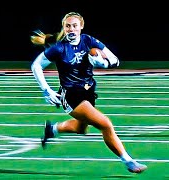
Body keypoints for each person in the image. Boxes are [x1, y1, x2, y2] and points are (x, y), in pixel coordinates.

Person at [30, 12, 147, 174]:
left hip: (88, 92)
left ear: (81, 26)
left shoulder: (88, 40)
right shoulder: (59, 48)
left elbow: (115, 60)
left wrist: (104, 63)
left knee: (80, 128)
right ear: (64, 28)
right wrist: (46, 90)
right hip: (71, 95)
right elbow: (36, 66)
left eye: (75, 25)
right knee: (105, 124)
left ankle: (52, 129)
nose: (71, 29)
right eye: (68, 26)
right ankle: (128, 161)